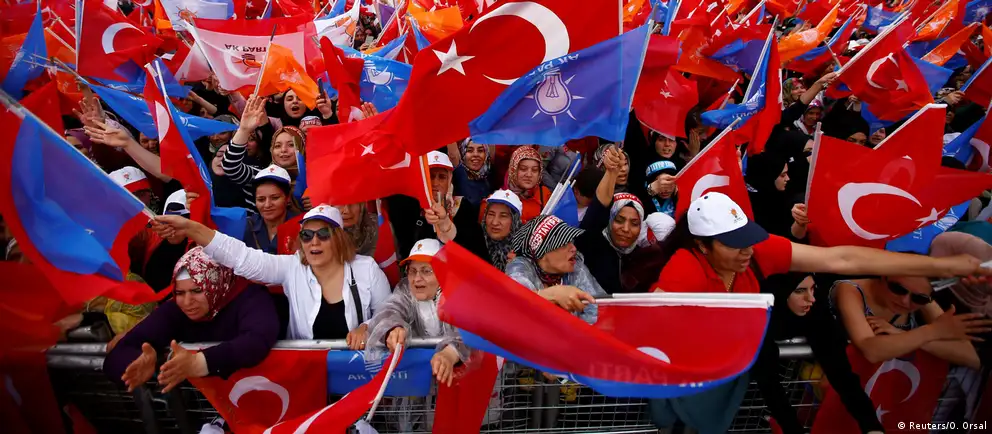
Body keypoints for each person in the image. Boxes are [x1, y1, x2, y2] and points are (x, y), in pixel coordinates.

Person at [650, 192, 991, 433]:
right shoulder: (686, 266)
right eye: (732, 244)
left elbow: (842, 259)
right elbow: (651, 314)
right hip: (687, 372)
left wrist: (942, 266)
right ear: (702, 245)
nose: (746, 251)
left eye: (747, 238)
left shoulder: (757, 252)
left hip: (730, 370)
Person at [153, 205, 390, 347]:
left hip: (356, 375)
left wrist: (367, 327)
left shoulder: (366, 268)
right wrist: (192, 228)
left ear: (338, 238)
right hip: (310, 377)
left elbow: (389, 312)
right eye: (307, 235)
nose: (314, 242)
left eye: (323, 234)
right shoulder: (291, 267)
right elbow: (242, 258)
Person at [103, 247, 279, 392]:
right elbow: (117, 355)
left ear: (215, 283)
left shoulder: (250, 297)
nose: (187, 302)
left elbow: (257, 339)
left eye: (197, 291)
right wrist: (137, 361)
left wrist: (198, 363)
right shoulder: (175, 308)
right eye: (180, 293)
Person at [750, 274, 884, 434]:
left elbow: (842, 375)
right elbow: (769, 383)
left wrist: (872, 427)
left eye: (812, 289)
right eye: (800, 291)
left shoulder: (817, 311)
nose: (810, 298)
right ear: (781, 291)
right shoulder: (757, 313)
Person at [366, 239, 469, 386]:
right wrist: (393, 329)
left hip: (463, 383)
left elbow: (473, 329)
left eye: (426, 271)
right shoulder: (406, 290)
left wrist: (450, 353)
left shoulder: (460, 292)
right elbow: (388, 311)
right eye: (412, 271)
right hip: (417, 387)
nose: (417, 279)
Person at [832, 276, 989, 369]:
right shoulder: (851, 290)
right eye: (898, 289)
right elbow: (872, 351)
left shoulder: (923, 299)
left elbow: (970, 357)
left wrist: (901, 334)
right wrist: (932, 332)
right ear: (883, 276)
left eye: (918, 298)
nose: (905, 301)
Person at [576, 146, 662, 293]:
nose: (626, 229)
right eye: (619, 220)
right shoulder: (593, 246)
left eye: (634, 223)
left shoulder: (645, 259)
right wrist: (611, 173)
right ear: (609, 222)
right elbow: (598, 209)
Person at [507, 215, 606, 324]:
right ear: (542, 253)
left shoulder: (576, 268)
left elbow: (600, 310)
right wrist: (554, 294)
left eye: (571, 241)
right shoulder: (520, 267)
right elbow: (514, 299)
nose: (574, 248)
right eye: (564, 244)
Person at [455, 189, 524, 271]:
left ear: (515, 222)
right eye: (491, 214)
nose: (494, 222)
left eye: (503, 216)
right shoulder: (471, 241)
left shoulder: (523, 251)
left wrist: (518, 266)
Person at [243, 165, 299, 254]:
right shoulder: (245, 227)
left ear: (287, 198)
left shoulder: (302, 227)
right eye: (261, 199)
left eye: (275, 198)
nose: (267, 205)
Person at [505, 146, 552, 223]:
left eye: (534, 170)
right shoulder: (500, 198)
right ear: (513, 170)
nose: (529, 175)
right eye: (523, 169)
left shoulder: (544, 194)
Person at [453, 139, 496, 205]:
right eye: (470, 150)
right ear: (463, 153)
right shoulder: (457, 175)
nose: (475, 154)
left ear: (486, 153)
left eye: (480, 150)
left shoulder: (490, 174)